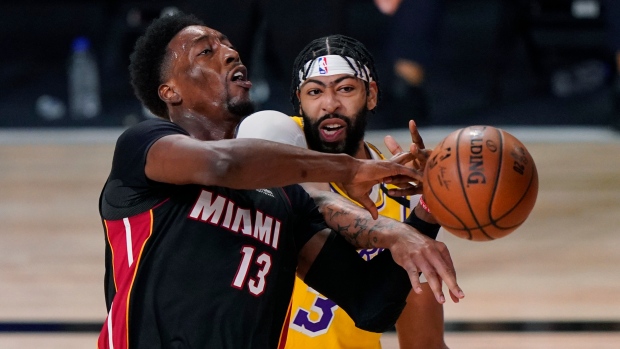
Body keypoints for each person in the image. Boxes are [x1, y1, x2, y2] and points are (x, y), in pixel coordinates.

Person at [97, 12, 464, 349]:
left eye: (227, 43)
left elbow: (371, 304)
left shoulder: (284, 198)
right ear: (170, 91)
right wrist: (346, 169)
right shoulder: (144, 147)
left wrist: (430, 207)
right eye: (206, 51)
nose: (229, 53)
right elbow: (224, 165)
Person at [237, 34, 449, 348]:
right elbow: (310, 198)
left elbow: (425, 343)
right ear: (299, 101)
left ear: (372, 95)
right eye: (314, 92)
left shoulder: (406, 200)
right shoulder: (272, 134)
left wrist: (443, 195)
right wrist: (394, 231)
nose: (330, 103)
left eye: (346, 88)